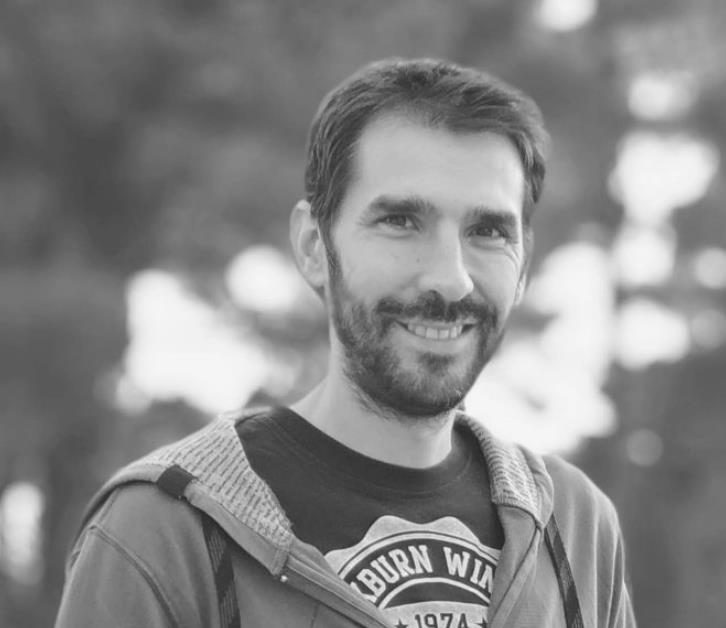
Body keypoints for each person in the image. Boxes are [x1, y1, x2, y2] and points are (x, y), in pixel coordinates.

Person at [55, 58, 636, 628]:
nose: (451, 278)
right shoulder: (161, 531)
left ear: (524, 267)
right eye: (401, 221)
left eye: (487, 231)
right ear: (314, 247)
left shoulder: (574, 529)